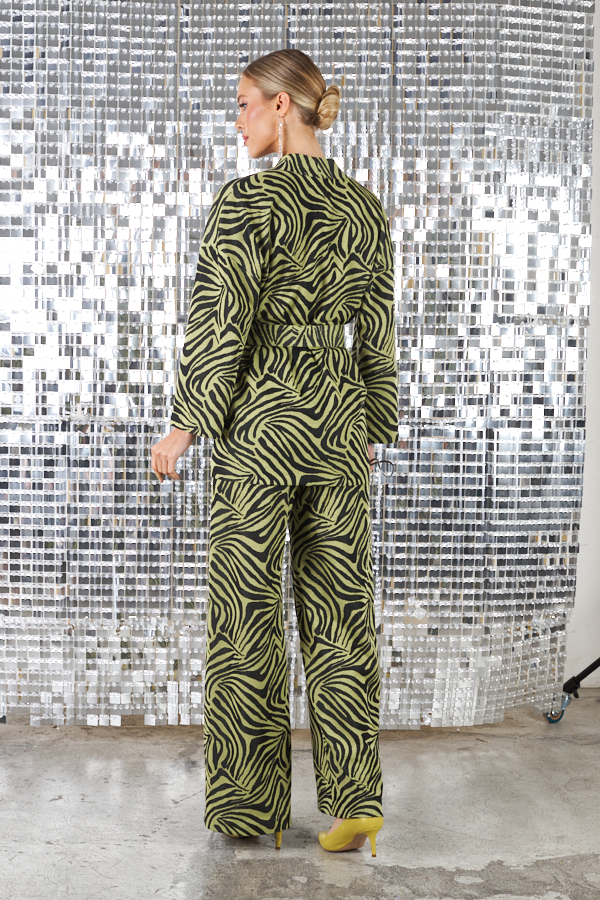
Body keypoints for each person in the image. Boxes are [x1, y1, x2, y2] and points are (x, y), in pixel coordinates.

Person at [150, 48, 398, 857]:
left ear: (283, 105)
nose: (239, 121)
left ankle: (251, 808)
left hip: (260, 421)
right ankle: (356, 800)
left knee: (247, 613)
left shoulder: (246, 203)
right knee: (341, 612)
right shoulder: (365, 208)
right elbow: (378, 332)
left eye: (245, 103)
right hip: (338, 418)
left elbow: (221, 322)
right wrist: (369, 425)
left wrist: (186, 424)